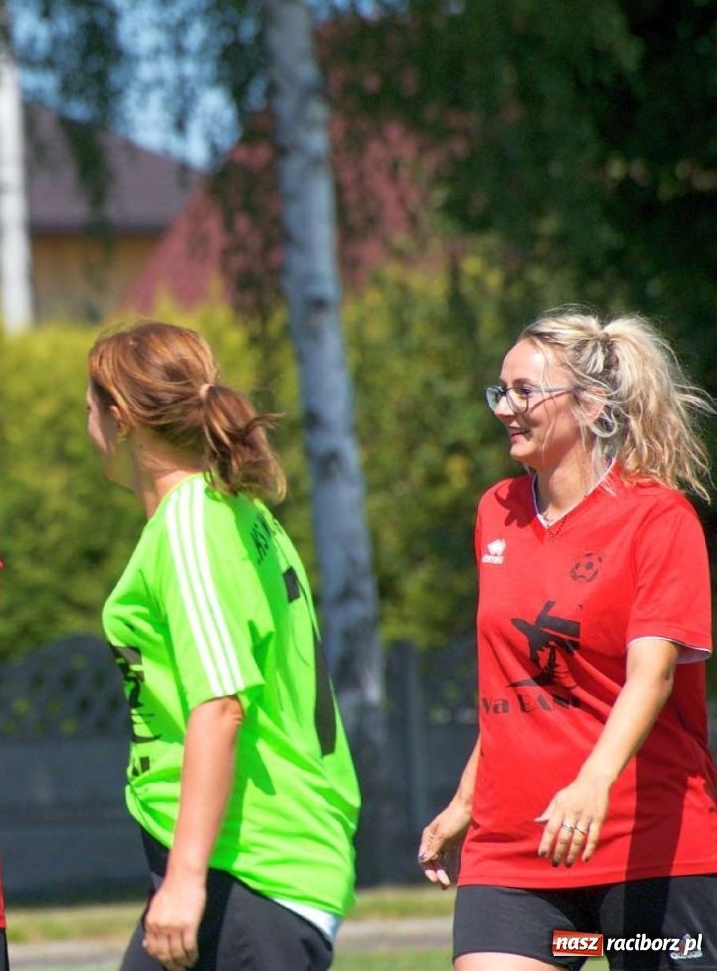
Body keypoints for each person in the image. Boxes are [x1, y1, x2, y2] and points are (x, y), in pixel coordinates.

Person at [417, 309, 717, 971]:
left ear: (590, 403)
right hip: (516, 849)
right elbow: (518, 680)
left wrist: (592, 783)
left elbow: (653, 675)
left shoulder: (658, 517)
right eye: (502, 391)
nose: (506, 408)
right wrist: (467, 800)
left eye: (526, 391)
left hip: (648, 841)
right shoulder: (495, 510)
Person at [85, 321, 359, 971]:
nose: (87, 428)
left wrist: (185, 879)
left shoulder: (190, 527)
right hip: (248, 867)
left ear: (120, 418)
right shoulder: (235, 510)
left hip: (251, 868)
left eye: (89, 410)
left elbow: (222, 703)